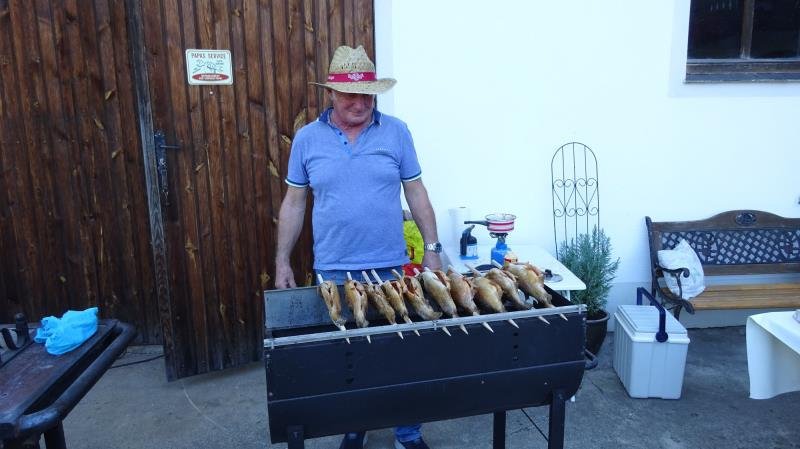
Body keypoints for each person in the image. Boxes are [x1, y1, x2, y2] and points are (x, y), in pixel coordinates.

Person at [274, 45, 442, 449]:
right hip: (334, 271)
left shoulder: (396, 132)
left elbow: (416, 191)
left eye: (367, 95)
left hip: (390, 268)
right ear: (331, 93)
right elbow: (294, 203)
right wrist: (282, 261)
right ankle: (355, 426)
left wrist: (433, 246)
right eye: (350, 94)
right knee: (348, 358)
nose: (359, 103)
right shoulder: (307, 139)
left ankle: (408, 433)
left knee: (402, 356)